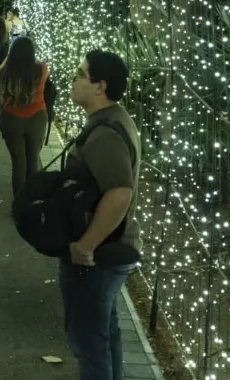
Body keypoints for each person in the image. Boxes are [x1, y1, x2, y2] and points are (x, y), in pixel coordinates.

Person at [61, 50, 143, 380]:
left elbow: (120, 192)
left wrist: (86, 245)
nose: (73, 79)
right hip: (110, 249)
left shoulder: (106, 132)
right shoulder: (111, 120)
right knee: (105, 333)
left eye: (80, 74)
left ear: (100, 86)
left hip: (99, 254)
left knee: (89, 340)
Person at [0, 35, 48, 196]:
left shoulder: (6, 72)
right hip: (37, 117)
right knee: (33, 160)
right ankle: (31, 199)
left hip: (11, 118)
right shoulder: (41, 69)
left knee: (18, 163)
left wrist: (8, 59)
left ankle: (19, 201)